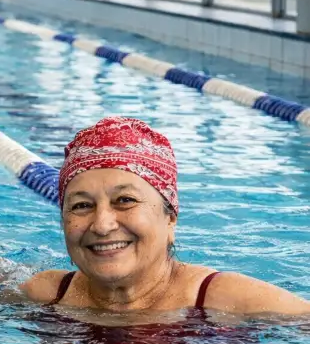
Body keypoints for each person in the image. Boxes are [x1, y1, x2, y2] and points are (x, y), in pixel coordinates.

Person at [21, 116, 310, 315]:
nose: (102, 224)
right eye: (82, 205)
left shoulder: (233, 301)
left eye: (125, 200)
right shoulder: (46, 294)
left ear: (170, 217)